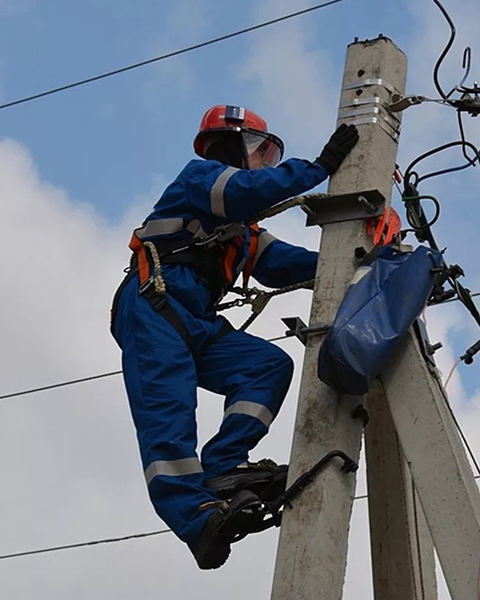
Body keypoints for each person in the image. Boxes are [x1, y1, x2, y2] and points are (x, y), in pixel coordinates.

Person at [110, 104, 359, 569]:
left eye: (271, 154)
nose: (265, 161)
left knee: (266, 366)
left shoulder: (242, 232)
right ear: (232, 146)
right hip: (152, 309)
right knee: (169, 417)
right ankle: (195, 520)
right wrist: (317, 170)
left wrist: (357, 259)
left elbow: (284, 264)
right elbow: (248, 191)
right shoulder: (202, 178)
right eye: (260, 151)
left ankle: (224, 466)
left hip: (196, 320)